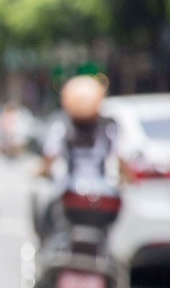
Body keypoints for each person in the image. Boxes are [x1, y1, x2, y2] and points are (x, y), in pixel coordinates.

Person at [32, 75, 120, 242]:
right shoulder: (109, 128)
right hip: (103, 193)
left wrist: (40, 171)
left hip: (70, 189)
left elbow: (49, 159)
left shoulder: (62, 127)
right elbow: (122, 161)